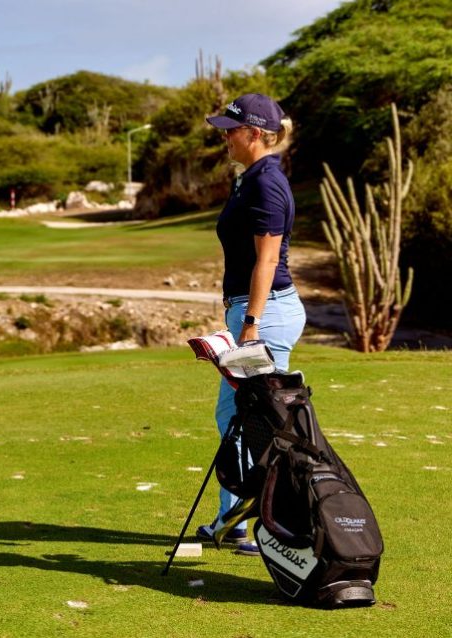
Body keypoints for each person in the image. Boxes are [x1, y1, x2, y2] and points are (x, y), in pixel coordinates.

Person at [197, 93, 307, 556]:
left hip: (266, 314)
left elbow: (267, 259)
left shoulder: (266, 183)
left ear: (256, 134)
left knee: (260, 419)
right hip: (252, 310)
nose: (225, 135)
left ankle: (265, 521)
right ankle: (236, 518)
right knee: (236, 415)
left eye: (232, 129)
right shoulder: (253, 178)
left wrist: (251, 327)